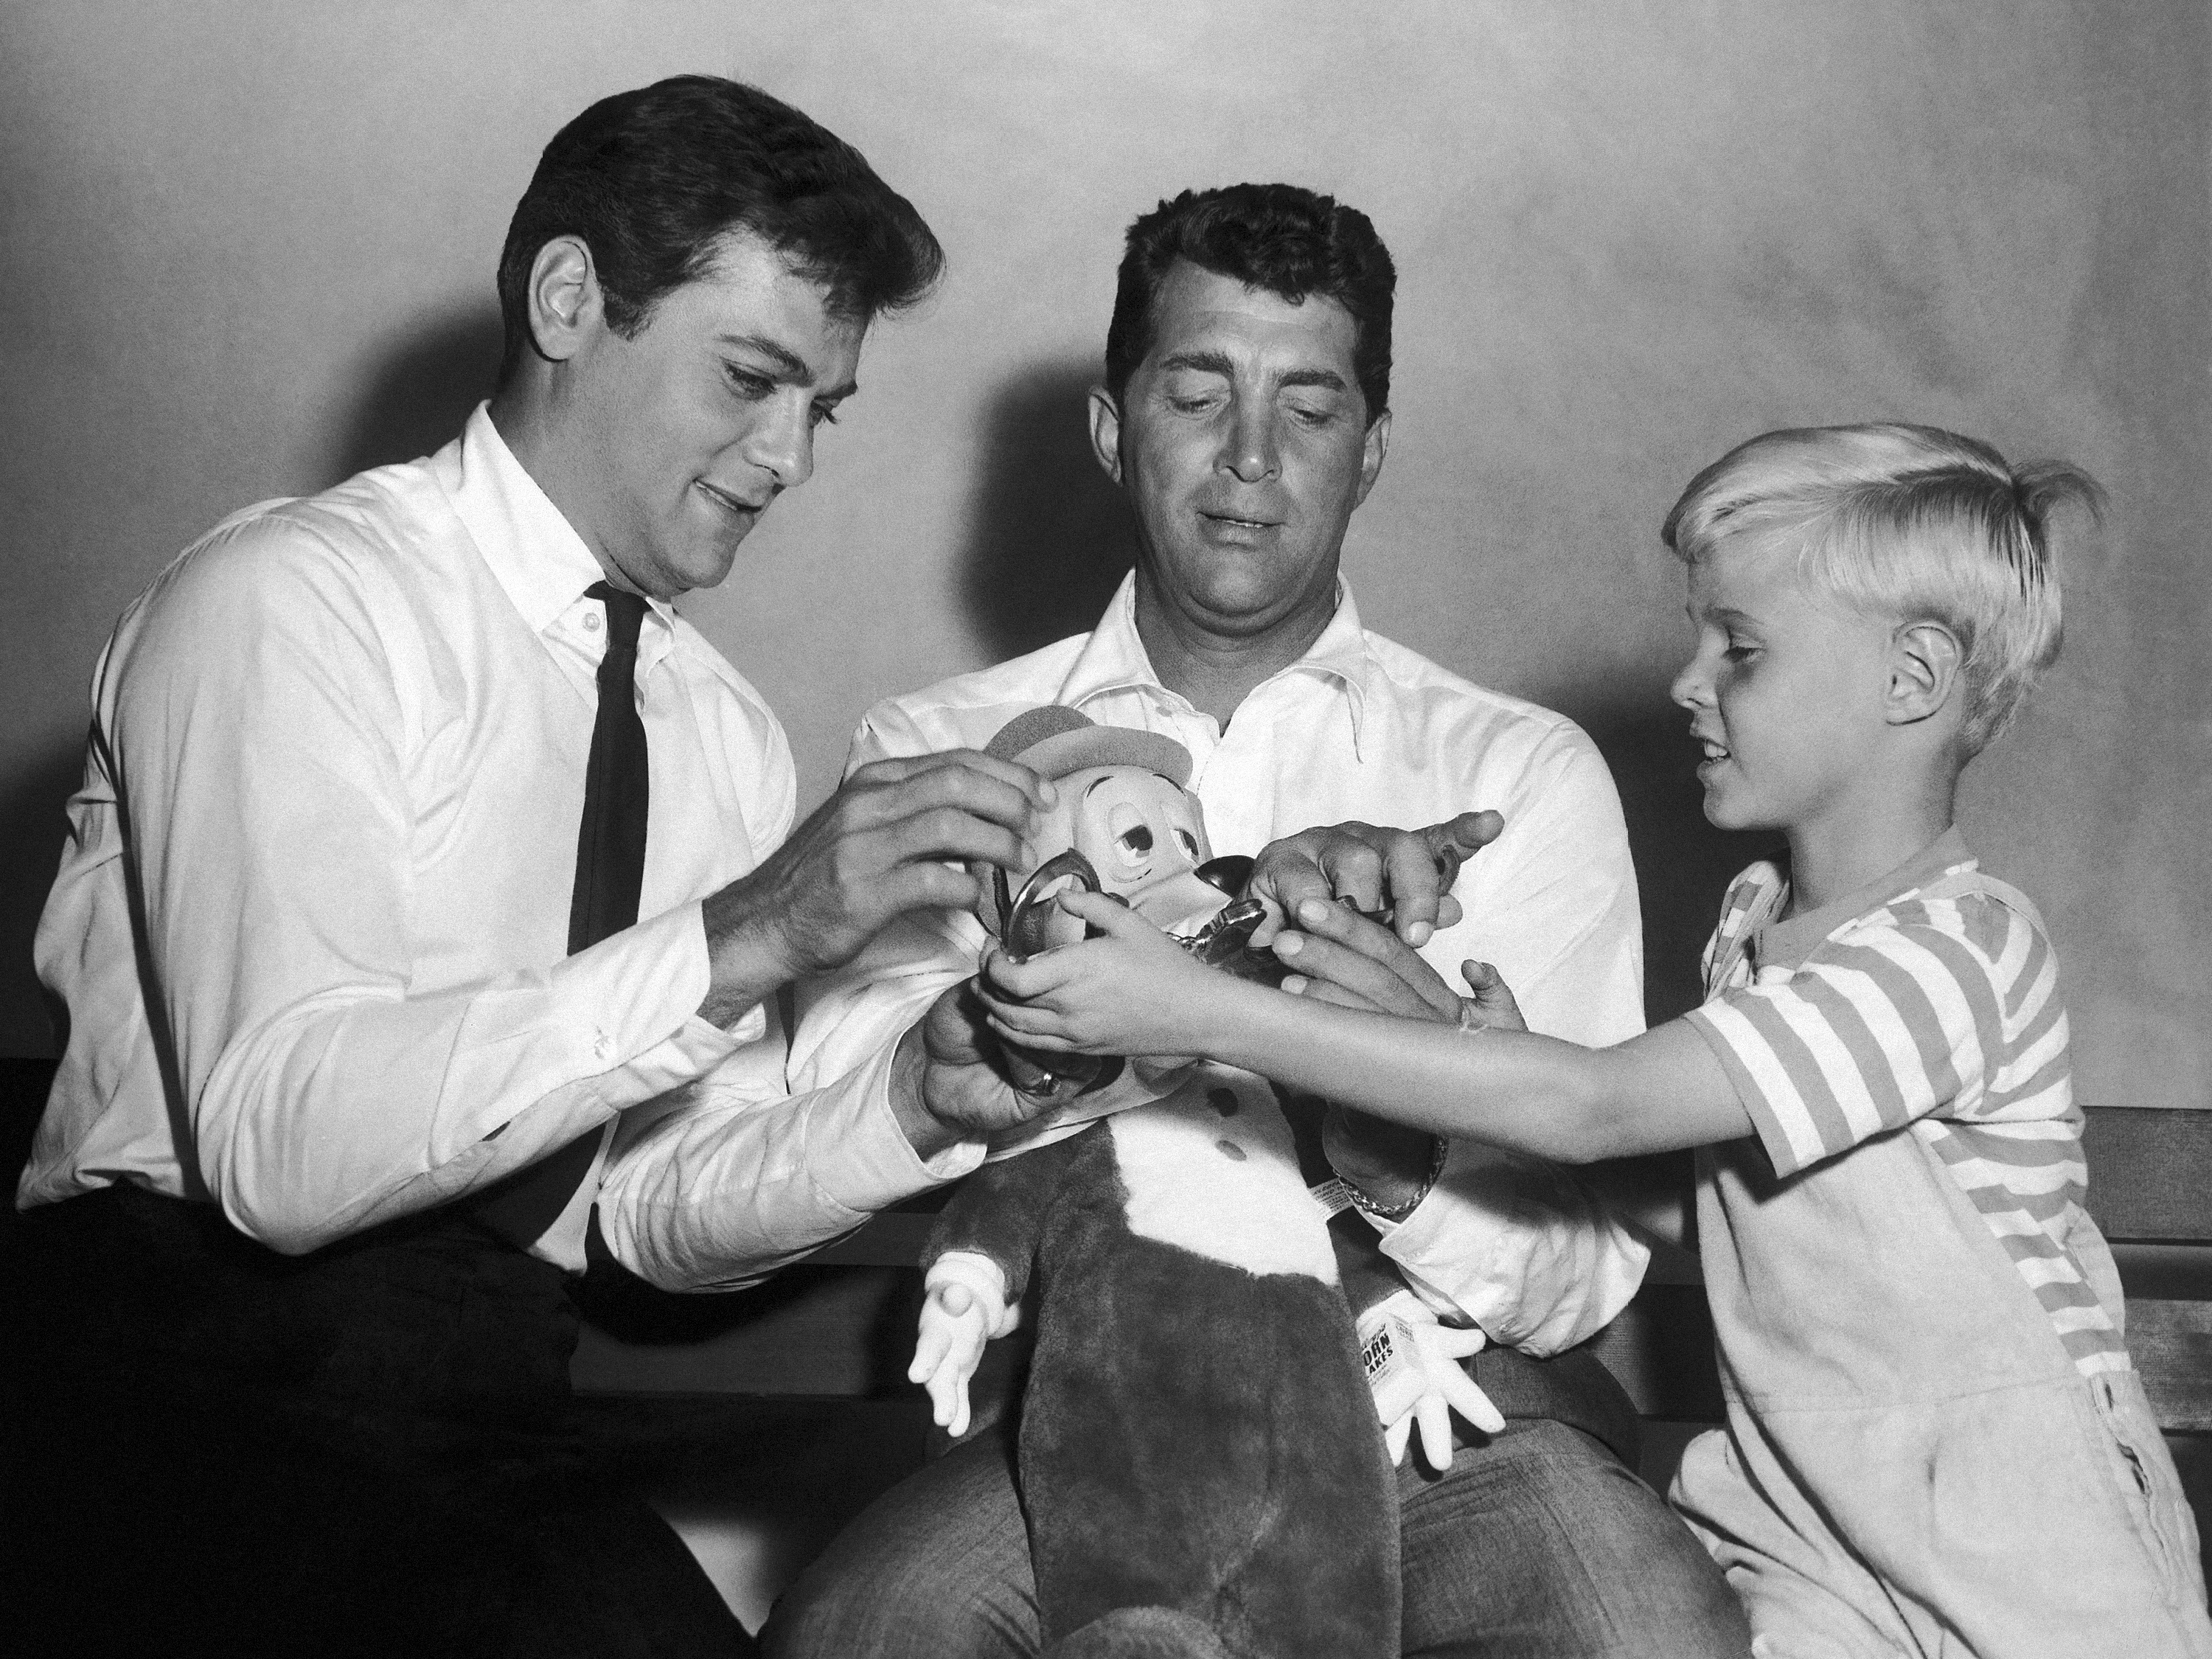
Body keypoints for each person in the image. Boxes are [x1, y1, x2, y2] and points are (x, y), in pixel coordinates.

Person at [7, 75, 1090, 1658]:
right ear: (571, 299)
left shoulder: (717, 733)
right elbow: (277, 1150)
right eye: (752, 378)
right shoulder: (289, 601)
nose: (790, 456)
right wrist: (744, 935)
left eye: (822, 408)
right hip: (149, 1393)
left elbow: (640, 1213)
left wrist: (908, 1107)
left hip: (472, 1409)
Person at [985, 422, 2212, 1658]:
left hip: (2015, 1526)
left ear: (1913, 679)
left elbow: (1596, 1108)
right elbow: (1722, 1208)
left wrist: (1202, 1010)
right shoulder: (1759, 925)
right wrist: (1462, 1052)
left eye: (1739, 649)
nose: (1688, 679)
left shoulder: (1957, 952)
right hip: (1817, 1519)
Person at [764, 184, 1747, 1658]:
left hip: (1451, 1409)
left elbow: (1584, 1274)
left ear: (1372, 452)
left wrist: (1393, 1147)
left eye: (1310, 404)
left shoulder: (1508, 773)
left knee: (1641, 1630)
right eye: (1197, 389)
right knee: (869, 1631)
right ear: (1113, 426)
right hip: (1096, 1416)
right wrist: (1119, 1010)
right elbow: (849, 1111)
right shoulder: (944, 751)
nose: (1250, 460)